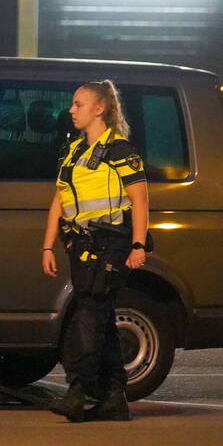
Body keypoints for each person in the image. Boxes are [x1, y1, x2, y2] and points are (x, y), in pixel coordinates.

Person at [41, 80, 149, 422]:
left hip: (112, 242)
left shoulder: (120, 150)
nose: (71, 110)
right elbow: (58, 201)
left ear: (99, 109)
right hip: (81, 244)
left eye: (78, 104)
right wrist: (47, 245)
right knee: (99, 312)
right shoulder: (72, 151)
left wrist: (138, 244)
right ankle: (114, 397)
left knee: (88, 312)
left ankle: (79, 391)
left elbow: (140, 200)